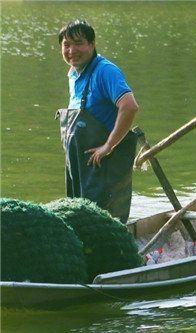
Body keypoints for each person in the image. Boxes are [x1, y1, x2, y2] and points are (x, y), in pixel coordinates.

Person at [56, 20, 139, 223]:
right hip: (79, 167)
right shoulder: (74, 74)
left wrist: (109, 145)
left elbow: (129, 106)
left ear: (92, 44)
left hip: (102, 168)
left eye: (79, 43)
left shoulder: (105, 71)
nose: (72, 50)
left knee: (101, 222)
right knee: (78, 216)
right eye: (67, 45)